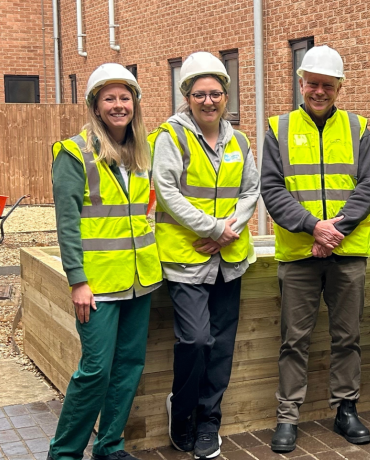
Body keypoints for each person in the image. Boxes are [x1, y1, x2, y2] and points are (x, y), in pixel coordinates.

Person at [259, 45, 370, 453]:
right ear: (301, 83)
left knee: (348, 337)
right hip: (298, 254)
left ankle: (346, 409)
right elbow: (271, 189)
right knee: (294, 339)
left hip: (345, 252)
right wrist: (313, 228)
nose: (319, 91)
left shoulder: (359, 128)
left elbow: (368, 188)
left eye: (328, 85)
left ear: (340, 87)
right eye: (313, 84)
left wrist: (334, 232)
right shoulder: (278, 128)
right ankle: (287, 416)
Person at [48, 63, 161, 460]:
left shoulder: (140, 153)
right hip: (97, 286)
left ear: (135, 103)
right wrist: (77, 280)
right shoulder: (73, 153)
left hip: (139, 279)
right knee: (95, 371)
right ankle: (63, 454)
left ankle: (110, 446)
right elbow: (67, 225)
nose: (118, 105)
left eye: (124, 98)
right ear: (95, 106)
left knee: (129, 365)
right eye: (109, 98)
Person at [151, 51, 260, 460]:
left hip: (230, 261)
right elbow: (167, 191)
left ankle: (208, 421)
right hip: (187, 260)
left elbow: (251, 191)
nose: (209, 101)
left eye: (216, 93)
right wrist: (213, 229)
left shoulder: (240, 140)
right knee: (196, 339)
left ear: (226, 96)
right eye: (200, 94)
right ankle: (182, 415)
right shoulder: (171, 136)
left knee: (222, 347)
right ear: (187, 96)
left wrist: (228, 231)